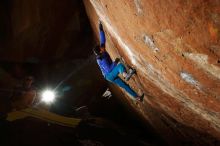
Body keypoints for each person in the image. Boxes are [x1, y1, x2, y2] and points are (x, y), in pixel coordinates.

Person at [93, 22, 144, 101]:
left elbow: (102, 40)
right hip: (109, 74)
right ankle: (125, 75)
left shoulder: (101, 51)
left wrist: (100, 29)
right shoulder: (102, 59)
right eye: (101, 48)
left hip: (108, 77)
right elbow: (109, 69)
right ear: (100, 52)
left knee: (124, 85)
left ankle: (137, 97)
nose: (102, 47)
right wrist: (115, 62)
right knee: (120, 66)